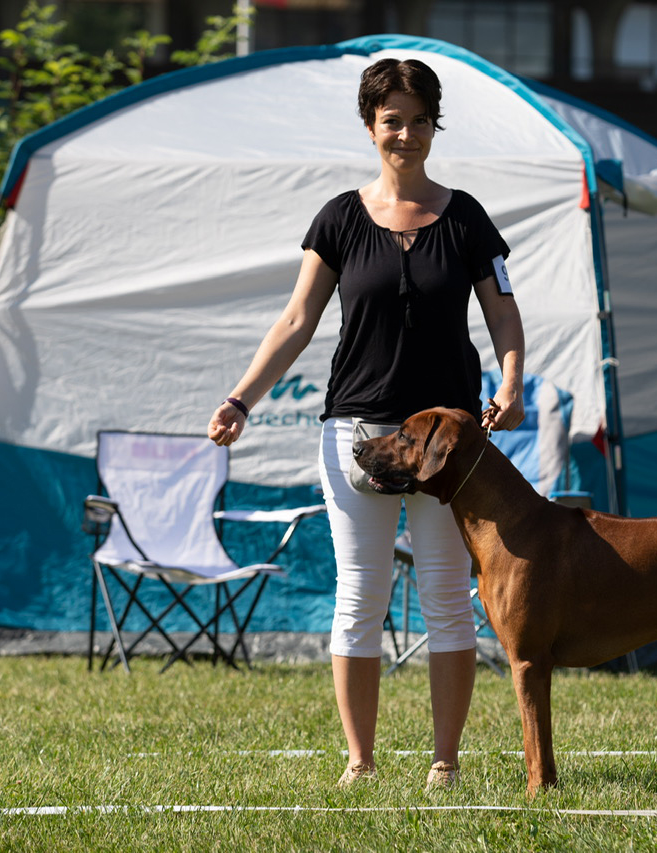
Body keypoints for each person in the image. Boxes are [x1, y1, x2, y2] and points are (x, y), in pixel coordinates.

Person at [207, 58, 525, 791]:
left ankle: (444, 762)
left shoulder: (468, 216)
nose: (405, 134)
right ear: (369, 126)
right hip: (356, 434)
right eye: (392, 121)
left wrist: (508, 381)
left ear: (433, 125)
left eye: (418, 120)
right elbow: (296, 320)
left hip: (448, 445)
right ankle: (361, 761)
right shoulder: (339, 218)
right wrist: (241, 398)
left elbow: (503, 314)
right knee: (361, 594)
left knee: (448, 597)